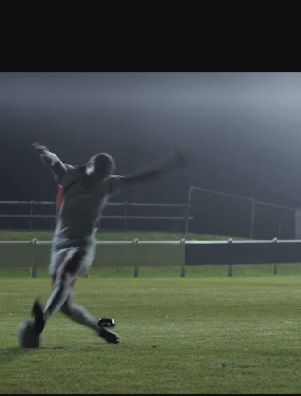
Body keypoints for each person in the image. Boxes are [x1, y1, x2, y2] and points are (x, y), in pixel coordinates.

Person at [30, 142, 189, 344]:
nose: (99, 179)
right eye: (97, 173)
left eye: (103, 175)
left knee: (65, 275)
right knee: (66, 307)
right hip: (59, 245)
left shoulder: (109, 184)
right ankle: (101, 331)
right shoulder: (70, 176)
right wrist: (45, 153)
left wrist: (169, 164)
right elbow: (55, 162)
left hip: (83, 245)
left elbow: (140, 177)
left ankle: (42, 320)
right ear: (89, 165)